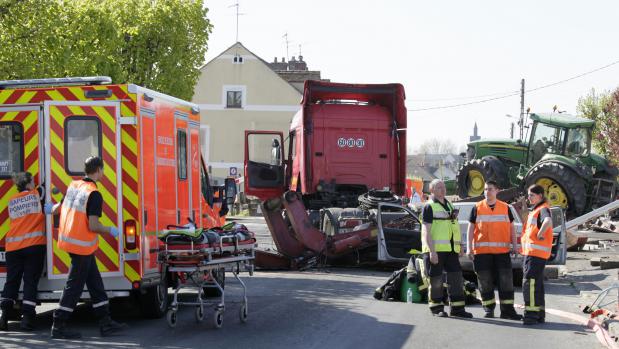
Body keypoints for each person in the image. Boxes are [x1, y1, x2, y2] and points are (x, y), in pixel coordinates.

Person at [50, 156, 127, 339]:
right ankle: (58, 325)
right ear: (98, 170)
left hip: (72, 242)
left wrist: (50, 208)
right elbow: (93, 226)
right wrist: (110, 230)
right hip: (81, 246)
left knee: (95, 283)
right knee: (74, 287)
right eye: (103, 170)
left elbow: (57, 209)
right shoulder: (94, 193)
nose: (103, 173)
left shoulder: (73, 186)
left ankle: (105, 322)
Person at [0, 172, 52, 331]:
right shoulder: (36, 195)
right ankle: (27, 319)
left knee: (12, 281)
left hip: (13, 248)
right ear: (29, 184)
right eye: (33, 181)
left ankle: (4, 317)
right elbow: (46, 200)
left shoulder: (12, 200)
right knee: (30, 281)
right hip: (33, 246)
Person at [466, 180, 522, 320]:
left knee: (506, 282)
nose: (487, 192)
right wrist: (469, 248)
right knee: (484, 282)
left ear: (497, 191)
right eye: (485, 189)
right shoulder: (477, 207)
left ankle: (507, 311)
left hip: (502, 252)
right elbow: (470, 229)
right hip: (482, 253)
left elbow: (511, 229)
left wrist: (515, 246)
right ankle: (489, 309)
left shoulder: (505, 207)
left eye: (490, 189)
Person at [421, 179, 472, 318]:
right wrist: (432, 251)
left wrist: (460, 245)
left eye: (443, 187)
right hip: (436, 250)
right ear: (431, 190)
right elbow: (426, 231)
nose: (442, 190)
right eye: (438, 187)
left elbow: (454, 227)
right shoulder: (429, 206)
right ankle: (436, 308)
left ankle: (457, 308)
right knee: (436, 279)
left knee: (456, 278)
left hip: (451, 250)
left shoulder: (449, 205)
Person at [521, 184, 553, 325]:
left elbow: (548, 221)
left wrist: (540, 233)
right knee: (537, 284)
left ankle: (531, 314)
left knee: (530, 283)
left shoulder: (542, 209)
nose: (529, 197)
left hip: (535, 254)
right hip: (536, 254)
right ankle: (539, 314)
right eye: (528, 195)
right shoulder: (536, 210)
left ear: (540, 195)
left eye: (531, 195)